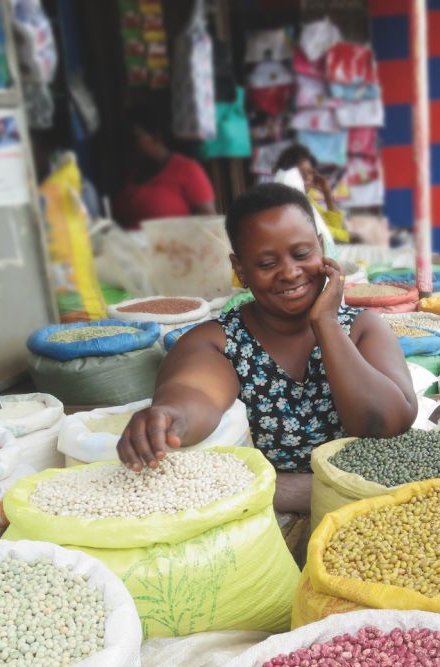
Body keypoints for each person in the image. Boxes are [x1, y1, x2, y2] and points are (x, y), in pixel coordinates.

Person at [117, 183, 417, 513]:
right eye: (266, 264)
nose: (289, 273)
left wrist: (327, 324)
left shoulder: (362, 327)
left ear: (321, 248)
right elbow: (193, 395)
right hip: (268, 508)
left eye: (302, 255)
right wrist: (169, 418)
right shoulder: (218, 343)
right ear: (241, 270)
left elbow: (385, 424)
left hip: (369, 506)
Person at [112, 109, 216, 229]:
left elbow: (209, 221)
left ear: (156, 137)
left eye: (136, 137)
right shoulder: (132, 173)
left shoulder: (187, 169)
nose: (131, 144)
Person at [274, 144, 350, 244]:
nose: (306, 178)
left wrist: (327, 192)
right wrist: (347, 235)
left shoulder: (309, 201)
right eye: (301, 173)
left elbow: (335, 226)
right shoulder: (287, 204)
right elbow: (330, 236)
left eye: (309, 173)